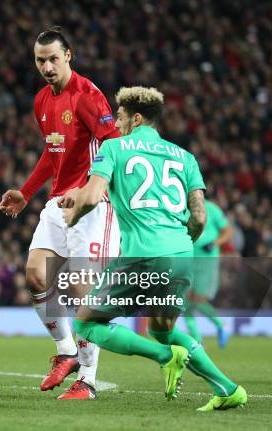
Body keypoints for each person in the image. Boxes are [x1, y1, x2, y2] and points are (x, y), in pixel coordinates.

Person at [60, 87, 247, 410]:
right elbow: (199, 217)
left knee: (86, 323)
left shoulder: (113, 148)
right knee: (161, 329)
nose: (115, 125)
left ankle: (165, 358)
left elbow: (91, 197)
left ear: (135, 118)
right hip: (180, 255)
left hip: (142, 255)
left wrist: (72, 216)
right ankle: (229, 389)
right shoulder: (185, 157)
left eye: (119, 118)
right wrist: (179, 241)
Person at [0, 27, 120, 400]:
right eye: (40, 60)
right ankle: (66, 351)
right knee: (36, 275)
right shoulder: (41, 101)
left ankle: (88, 379)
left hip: (93, 204)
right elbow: (54, 155)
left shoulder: (87, 96)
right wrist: (26, 191)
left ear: (69, 55)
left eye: (53, 58)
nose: (47, 67)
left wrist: (87, 191)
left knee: (84, 288)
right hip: (57, 201)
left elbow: (115, 146)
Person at [185, 199, 233, 347]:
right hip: (188, 258)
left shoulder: (212, 208)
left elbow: (228, 232)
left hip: (207, 261)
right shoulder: (182, 209)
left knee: (199, 300)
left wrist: (214, 244)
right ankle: (197, 339)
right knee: (185, 300)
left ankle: (221, 325)